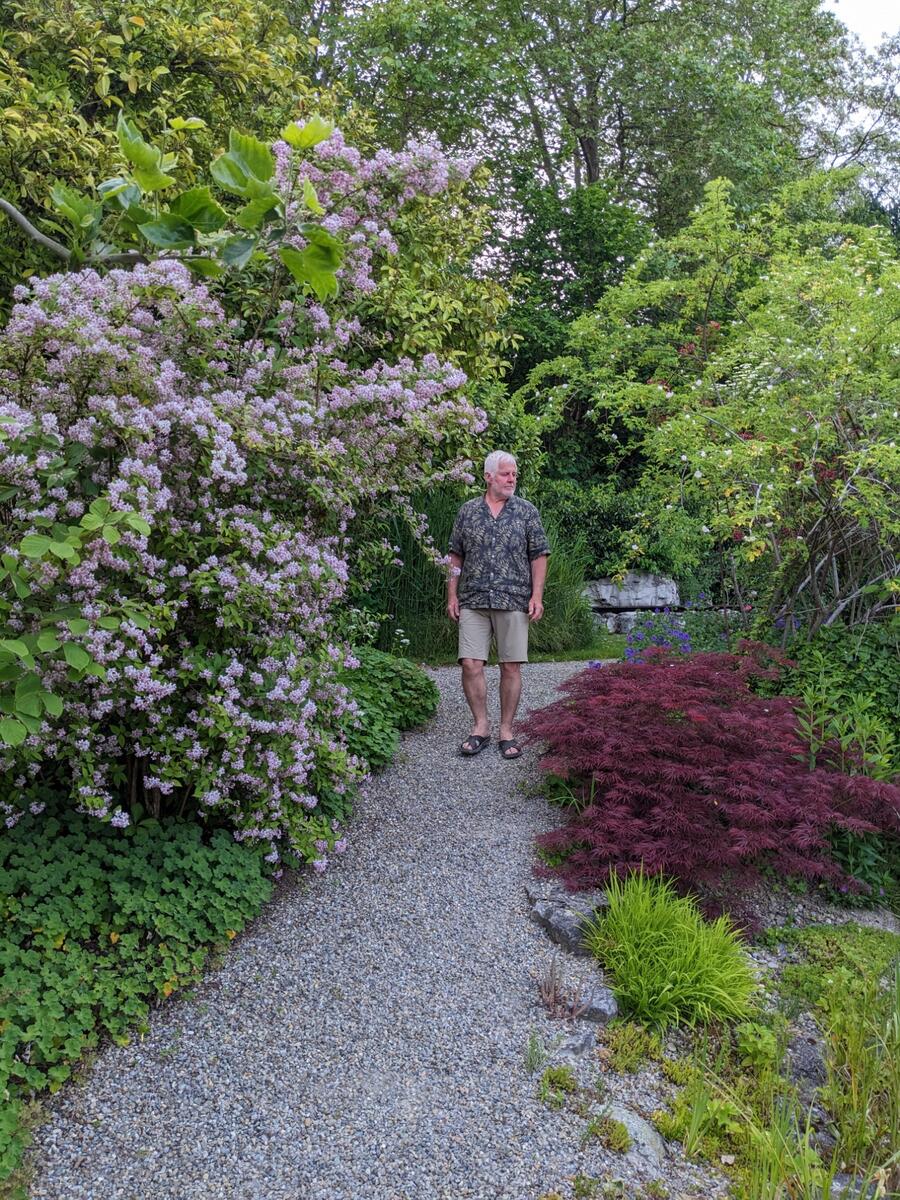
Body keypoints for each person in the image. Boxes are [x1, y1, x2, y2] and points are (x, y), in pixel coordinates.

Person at [446, 450, 550, 759]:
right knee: (470, 663)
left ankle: (507, 730)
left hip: (514, 599)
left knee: (511, 666)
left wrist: (537, 596)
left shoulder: (526, 512)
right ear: (488, 476)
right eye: (506, 473)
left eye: (514, 474)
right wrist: (451, 595)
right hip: (474, 600)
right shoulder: (467, 512)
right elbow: (455, 555)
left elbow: (539, 555)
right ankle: (480, 727)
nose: (512, 478)